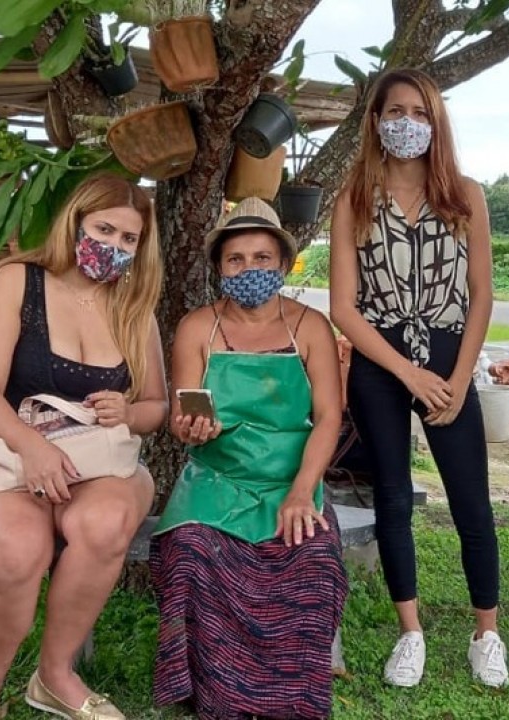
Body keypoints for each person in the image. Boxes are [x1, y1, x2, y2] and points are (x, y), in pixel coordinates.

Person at [0, 173, 168, 720]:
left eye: (129, 239)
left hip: (100, 464)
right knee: (17, 548)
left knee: (102, 525)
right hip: (8, 457)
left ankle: (55, 676)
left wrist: (130, 412)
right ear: (75, 221)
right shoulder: (18, 281)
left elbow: (157, 406)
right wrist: (30, 445)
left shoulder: (134, 306)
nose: (114, 246)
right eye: (104, 229)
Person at [329, 68, 507, 688]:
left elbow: (482, 296)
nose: (407, 123)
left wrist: (456, 380)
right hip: (381, 362)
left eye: (419, 112)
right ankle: (411, 633)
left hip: (450, 354)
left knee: (471, 501)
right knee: (394, 498)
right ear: (376, 120)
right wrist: (408, 371)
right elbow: (344, 308)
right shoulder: (353, 196)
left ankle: (487, 632)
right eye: (395, 111)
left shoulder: (465, 195)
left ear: (436, 123)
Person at [151, 197, 348, 720]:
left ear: (283, 264)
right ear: (219, 267)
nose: (250, 269)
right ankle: (218, 693)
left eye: (262, 258)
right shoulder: (197, 328)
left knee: (312, 558)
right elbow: (182, 413)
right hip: (216, 479)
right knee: (192, 551)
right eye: (236, 259)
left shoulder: (310, 327)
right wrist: (192, 427)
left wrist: (302, 492)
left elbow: (329, 417)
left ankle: (292, 690)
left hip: (291, 478)